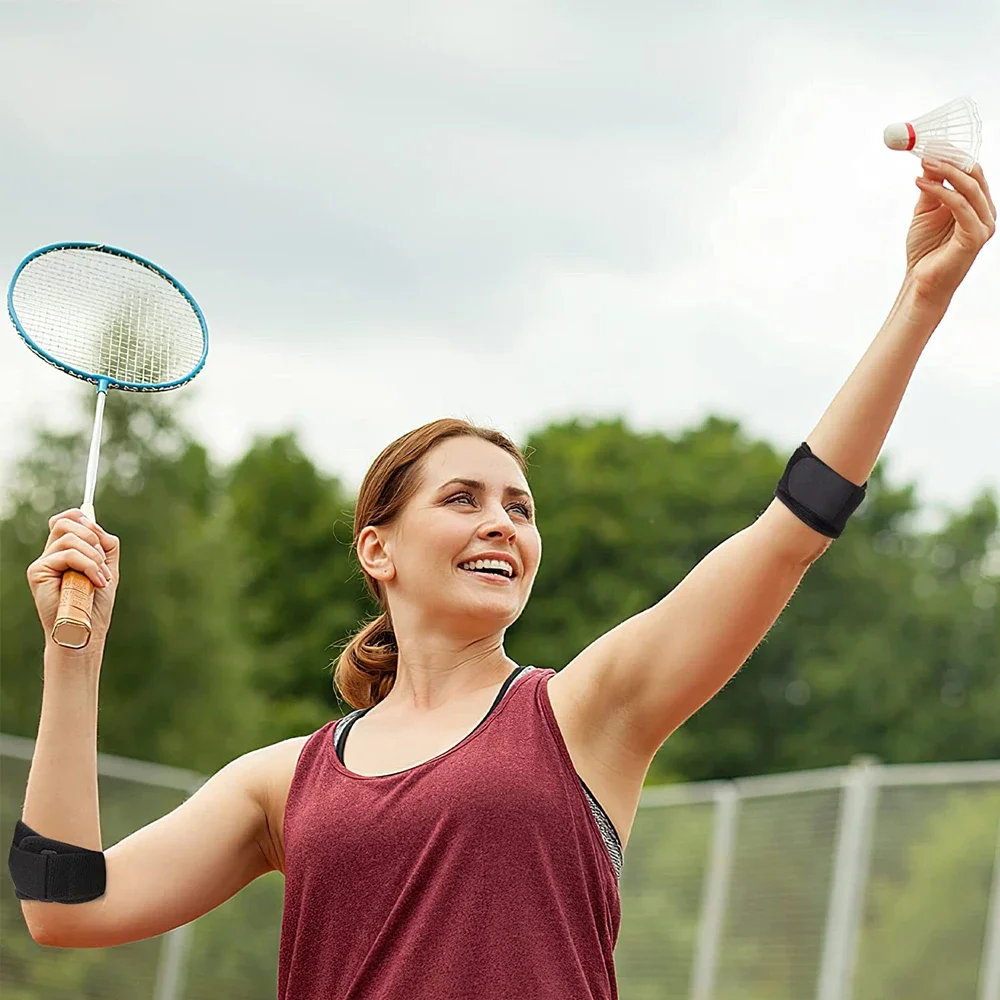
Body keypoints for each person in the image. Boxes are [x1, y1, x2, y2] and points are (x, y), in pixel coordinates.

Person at [10, 157, 995, 999]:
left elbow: (791, 528)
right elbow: (62, 905)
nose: (501, 524)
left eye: (519, 507)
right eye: (464, 499)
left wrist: (919, 302)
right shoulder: (283, 781)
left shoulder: (586, 712)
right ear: (376, 548)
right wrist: (74, 656)